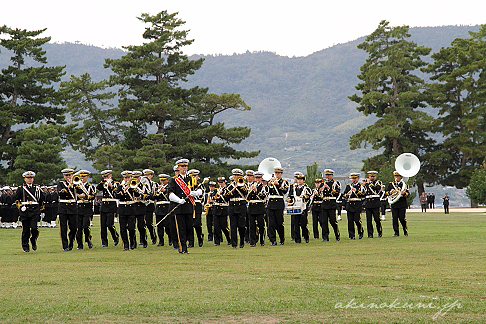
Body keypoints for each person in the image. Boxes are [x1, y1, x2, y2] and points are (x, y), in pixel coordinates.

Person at [167, 159, 200, 254]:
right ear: (178, 168)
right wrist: (178, 200)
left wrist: (196, 193)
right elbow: (170, 193)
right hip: (179, 208)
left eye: (185, 166)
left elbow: (201, 190)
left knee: (189, 228)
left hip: (189, 207)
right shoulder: (174, 180)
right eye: (182, 166)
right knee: (181, 229)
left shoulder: (191, 179)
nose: (184, 168)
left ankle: (185, 244)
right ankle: (183, 248)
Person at [14, 171, 46, 252]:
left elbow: (42, 199)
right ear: (25, 179)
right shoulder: (21, 188)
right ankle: (25, 246)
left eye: (31, 178)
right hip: (25, 211)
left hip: (34, 210)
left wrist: (41, 210)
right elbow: (16, 199)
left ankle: (33, 240)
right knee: (25, 230)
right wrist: (20, 206)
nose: (29, 179)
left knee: (34, 228)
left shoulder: (37, 188)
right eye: (28, 178)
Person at [96, 170, 120, 247]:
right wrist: (104, 181)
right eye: (104, 176)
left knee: (110, 224)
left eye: (107, 176)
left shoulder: (116, 183)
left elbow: (117, 192)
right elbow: (98, 188)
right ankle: (104, 242)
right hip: (104, 205)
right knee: (103, 226)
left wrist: (111, 186)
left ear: (111, 175)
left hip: (111, 205)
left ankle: (115, 236)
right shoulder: (103, 183)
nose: (106, 178)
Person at [266, 166, 289, 245]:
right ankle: (273, 240)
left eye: (278, 173)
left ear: (281, 174)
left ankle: (281, 238)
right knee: (271, 223)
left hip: (279, 202)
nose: (277, 174)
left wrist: (278, 184)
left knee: (279, 222)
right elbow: (267, 191)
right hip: (271, 203)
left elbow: (284, 192)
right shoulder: (270, 181)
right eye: (276, 173)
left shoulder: (284, 182)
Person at [226, 168, 248, 248]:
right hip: (232, 206)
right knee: (233, 226)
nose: (236, 176)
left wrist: (240, 187)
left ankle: (242, 241)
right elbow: (226, 197)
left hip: (241, 206)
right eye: (235, 175)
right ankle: (234, 244)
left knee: (241, 226)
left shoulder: (244, 185)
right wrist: (233, 189)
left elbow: (246, 194)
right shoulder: (230, 186)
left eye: (238, 175)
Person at [115, 171, 137, 250]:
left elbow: (138, 195)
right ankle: (126, 244)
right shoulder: (120, 186)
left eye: (128, 177)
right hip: (122, 209)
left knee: (131, 227)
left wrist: (133, 188)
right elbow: (117, 196)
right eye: (125, 178)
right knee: (123, 228)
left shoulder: (134, 186)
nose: (127, 179)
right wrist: (125, 189)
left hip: (131, 208)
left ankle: (132, 242)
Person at [57, 168, 78, 251]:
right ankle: (65, 245)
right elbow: (60, 193)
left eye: (69, 175)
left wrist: (74, 185)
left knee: (73, 227)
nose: (68, 176)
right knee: (63, 227)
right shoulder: (61, 184)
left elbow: (79, 192)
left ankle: (71, 242)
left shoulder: (76, 183)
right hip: (63, 207)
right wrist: (69, 185)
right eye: (66, 175)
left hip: (72, 207)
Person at [287, 173, 311, 244]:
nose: (299, 181)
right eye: (298, 179)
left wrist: (303, 197)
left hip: (303, 208)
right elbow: (290, 196)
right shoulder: (293, 188)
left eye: (301, 180)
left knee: (303, 224)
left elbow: (308, 197)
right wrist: (289, 199)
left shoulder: (306, 188)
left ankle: (306, 236)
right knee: (295, 224)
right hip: (295, 207)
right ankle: (297, 239)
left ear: (303, 180)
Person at [75, 170, 96, 249]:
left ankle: (88, 239)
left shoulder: (91, 186)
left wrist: (85, 196)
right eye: (82, 176)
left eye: (84, 176)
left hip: (87, 207)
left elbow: (93, 196)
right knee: (78, 227)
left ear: (88, 177)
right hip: (79, 207)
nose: (83, 178)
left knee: (85, 226)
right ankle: (79, 244)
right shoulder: (77, 186)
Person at [386, 171, 410, 237]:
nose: (396, 177)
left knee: (402, 218)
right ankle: (396, 232)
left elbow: (408, 194)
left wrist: (404, 193)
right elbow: (386, 193)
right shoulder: (391, 184)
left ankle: (405, 231)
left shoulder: (404, 184)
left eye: (398, 176)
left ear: (400, 177)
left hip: (402, 203)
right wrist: (391, 192)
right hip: (394, 204)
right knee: (395, 218)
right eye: (395, 176)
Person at [247, 171, 267, 246]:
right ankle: (252, 241)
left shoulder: (264, 187)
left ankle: (262, 240)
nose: (257, 179)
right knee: (251, 225)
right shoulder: (250, 186)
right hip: (252, 207)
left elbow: (263, 196)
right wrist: (250, 191)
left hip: (259, 207)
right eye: (256, 178)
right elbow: (247, 197)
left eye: (259, 178)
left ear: (261, 178)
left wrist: (256, 191)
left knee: (261, 225)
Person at [319, 169, 341, 241]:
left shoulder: (336, 183)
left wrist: (329, 188)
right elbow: (320, 195)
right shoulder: (323, 183)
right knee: (324, 221)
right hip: (324, 204)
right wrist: (321, 190)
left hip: (331, 203)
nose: (327, 177)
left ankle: (337, 234)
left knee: (332, 221)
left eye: (329, 175)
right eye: (326, 175)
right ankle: (325, 237)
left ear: (332, 175)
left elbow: (337, 193)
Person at [343, 172, 365, 240]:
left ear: (358, 178)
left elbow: (363, 195)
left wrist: (356, 191)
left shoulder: (361, 186)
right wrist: (347, 194)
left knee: (357, 220)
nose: (354, 180)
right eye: (353, 178)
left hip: (357, 205)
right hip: (350, 205)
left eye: (355, 178)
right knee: (350, 221)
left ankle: (360, 231)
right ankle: (351, 235)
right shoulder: (348, 186)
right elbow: (344, 195)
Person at [188, 169, 205, 247]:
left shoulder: (200, 185)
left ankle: (200, 238)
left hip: (197, 204)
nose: (194, 177)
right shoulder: (186, 185)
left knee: (197, 223)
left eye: (195, 176)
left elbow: (201, 195)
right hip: (188, 205)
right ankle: (191, 242)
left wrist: (194, 193)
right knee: (189, 224)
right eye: (192, 176)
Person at [211, 177, 231, 246]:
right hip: (216, 208)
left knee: (224, 226)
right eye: (219, 182)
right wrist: (215, 196)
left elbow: (228, 198)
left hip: (224, 208)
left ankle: (229, 239)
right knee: (216, 226)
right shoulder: (216, 190)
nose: (220, 184)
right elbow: (212, 197)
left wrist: (222, 194)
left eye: (221, 182)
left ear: (225, 182)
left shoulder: (227, 190)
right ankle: (217, 241)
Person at [363, 171, 383, 238]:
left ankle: (379, 231)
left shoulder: (378, 183)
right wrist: (366, 184)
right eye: (371, 176)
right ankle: (370, 234)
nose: (372, 178)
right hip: (368, 203)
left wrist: (369, 184)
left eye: (373, 176)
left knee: (377, 219)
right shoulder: (366, 184)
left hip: (375, 203)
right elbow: (364, 192)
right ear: (368, 176)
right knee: (369, 220)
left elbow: (377, 189)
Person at [131, 170, 148, 248]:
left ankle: (144, 240)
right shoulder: (129, 186)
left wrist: (141, 197)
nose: (136, 179)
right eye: (134, 177)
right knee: (132, 226)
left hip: (141, 206)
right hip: (132, 207)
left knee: (141, 226)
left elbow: (149, 195)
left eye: (137, 177)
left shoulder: (143, 186)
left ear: (140, 178)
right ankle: (133, 242)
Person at [154, 174, 171, 246]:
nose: (162, 182)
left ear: (167, 180)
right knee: (159, 226)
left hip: (167, 207)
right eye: (161, 180)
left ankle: (171, 239)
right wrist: (157, 192)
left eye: (164, 180)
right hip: (159, 208)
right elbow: (153, 197)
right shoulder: (157, 188)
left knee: (168, 226)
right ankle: (161, 241)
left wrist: (165, 190)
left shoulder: (170, 187)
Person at [142, 169, 157, 245]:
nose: (146, 177)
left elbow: (155, 196)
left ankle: (153, 237)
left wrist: (149, 195)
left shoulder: (154, 184)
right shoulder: (141, 184)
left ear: (152, 176)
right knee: (141, 224)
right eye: (145, 175)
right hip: (141, 204)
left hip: (149, 204)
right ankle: (143, 239)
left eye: (148, 175)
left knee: (149, 223)